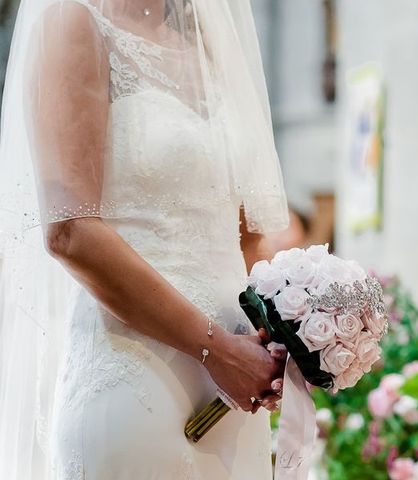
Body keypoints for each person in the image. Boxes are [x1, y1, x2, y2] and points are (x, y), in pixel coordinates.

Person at [0, 0, 290, 478]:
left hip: (237, 390)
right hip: (137, 373)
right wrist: (215, 349)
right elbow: (71, 231)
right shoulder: (74, 19)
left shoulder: (208, 45)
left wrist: (293, 327)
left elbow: (244, 236)